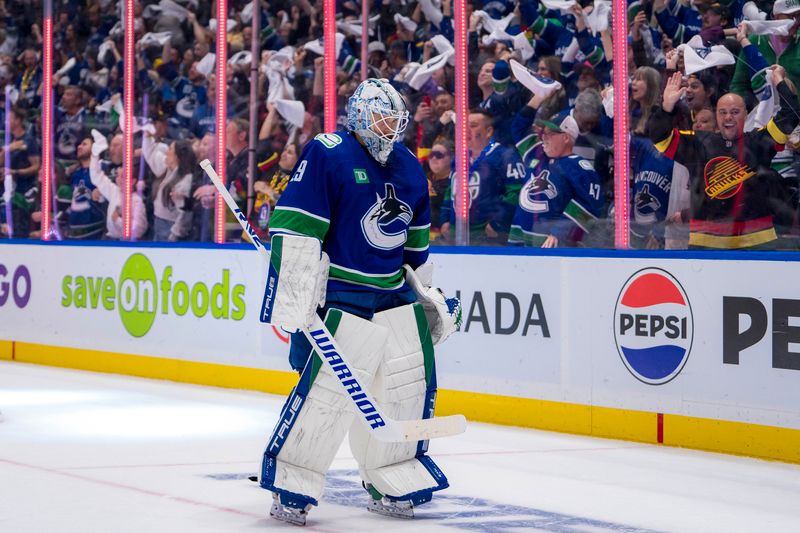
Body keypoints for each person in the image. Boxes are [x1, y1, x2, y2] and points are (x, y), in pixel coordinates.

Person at [260, 78, 460, 525]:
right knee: (326, 397)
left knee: (402, 390)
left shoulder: (408, 165)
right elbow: (296, 227)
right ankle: (294, 485)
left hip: (391, 294)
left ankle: (393, 475)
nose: (391, 129)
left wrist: (425, 297)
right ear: (362, 116)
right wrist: (295, 296)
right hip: (342, 294)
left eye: (397, 120)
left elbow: (415, 247)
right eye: (383, 119)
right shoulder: (328, 152)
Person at [648, 68, 800, 249]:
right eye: (722, 112)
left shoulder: (759, 141)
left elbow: (791, 114)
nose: (728, 117)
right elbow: (658, 137)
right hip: (706, 244)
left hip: (757, 244)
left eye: (735, 112)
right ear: (716, 115)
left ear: (746, 114)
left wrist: (778, 81)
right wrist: (666, 107)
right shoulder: (698, 143)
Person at [508, 110, 604, 247]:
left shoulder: (579, 167)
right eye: (543, 133)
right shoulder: (537, 156)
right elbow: (518, 127)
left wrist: (560, 233)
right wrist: (538, 98)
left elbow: (590, 205)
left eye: (550, 134)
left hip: (552, 246)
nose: (543, 137)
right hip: (519, 240)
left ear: (566, 138)